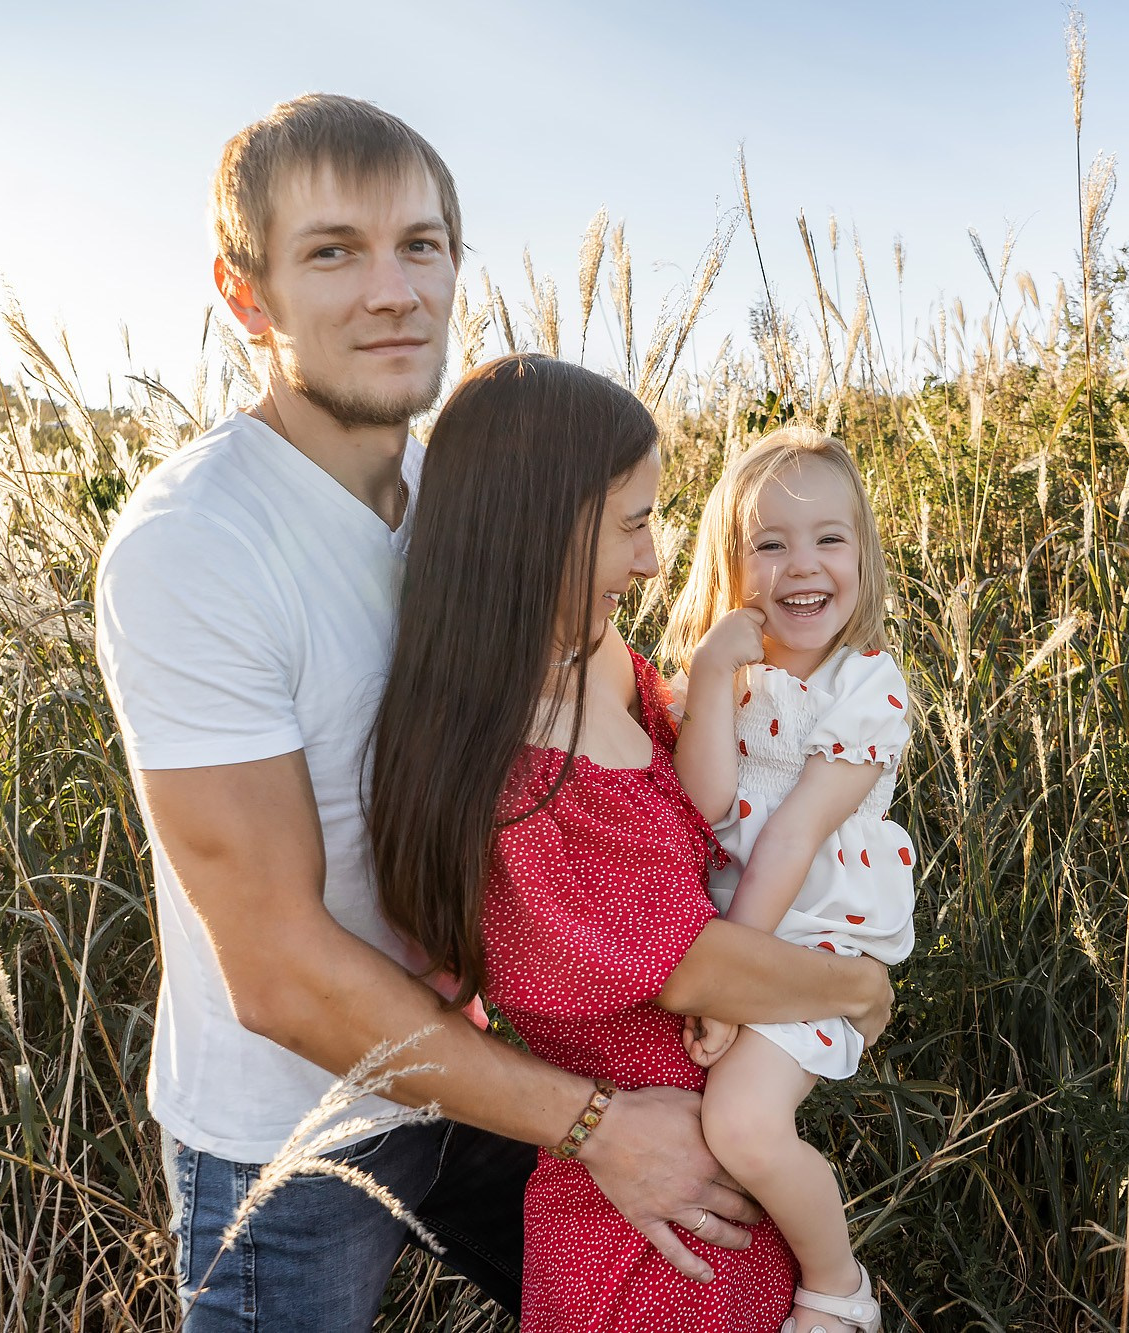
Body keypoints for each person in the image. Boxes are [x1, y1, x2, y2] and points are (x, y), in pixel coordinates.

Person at [94, 95, 891, 1330]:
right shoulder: (198, 548)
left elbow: (618, 710)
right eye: (331, 250)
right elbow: (280, 973)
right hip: (304, 1123)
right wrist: (595, 1125)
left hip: (502, 1057)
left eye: (420, 244)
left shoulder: (470, 489)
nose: (392, 289)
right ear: (245, 294)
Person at [369, 355, 895, 1331]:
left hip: (719, 1184)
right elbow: (688, 966)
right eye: (632, 524)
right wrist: (858, 987)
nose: (653, 559)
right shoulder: (521, 783)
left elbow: (709, 794)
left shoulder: (594, 656)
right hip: (651, 1238)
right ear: (540, 533)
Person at [656, 428, 917, 1333]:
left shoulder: (868, 689)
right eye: (770, 543)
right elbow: (706, 799)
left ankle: (838, 1286)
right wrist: (716, 671)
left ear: (863, 553)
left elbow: (795, 833)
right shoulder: (722, 672)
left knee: (744, 1125)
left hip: (810, 934)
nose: (802, 566)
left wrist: (732, 983)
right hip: (724, 931)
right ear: (731, 563)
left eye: (829, 539)